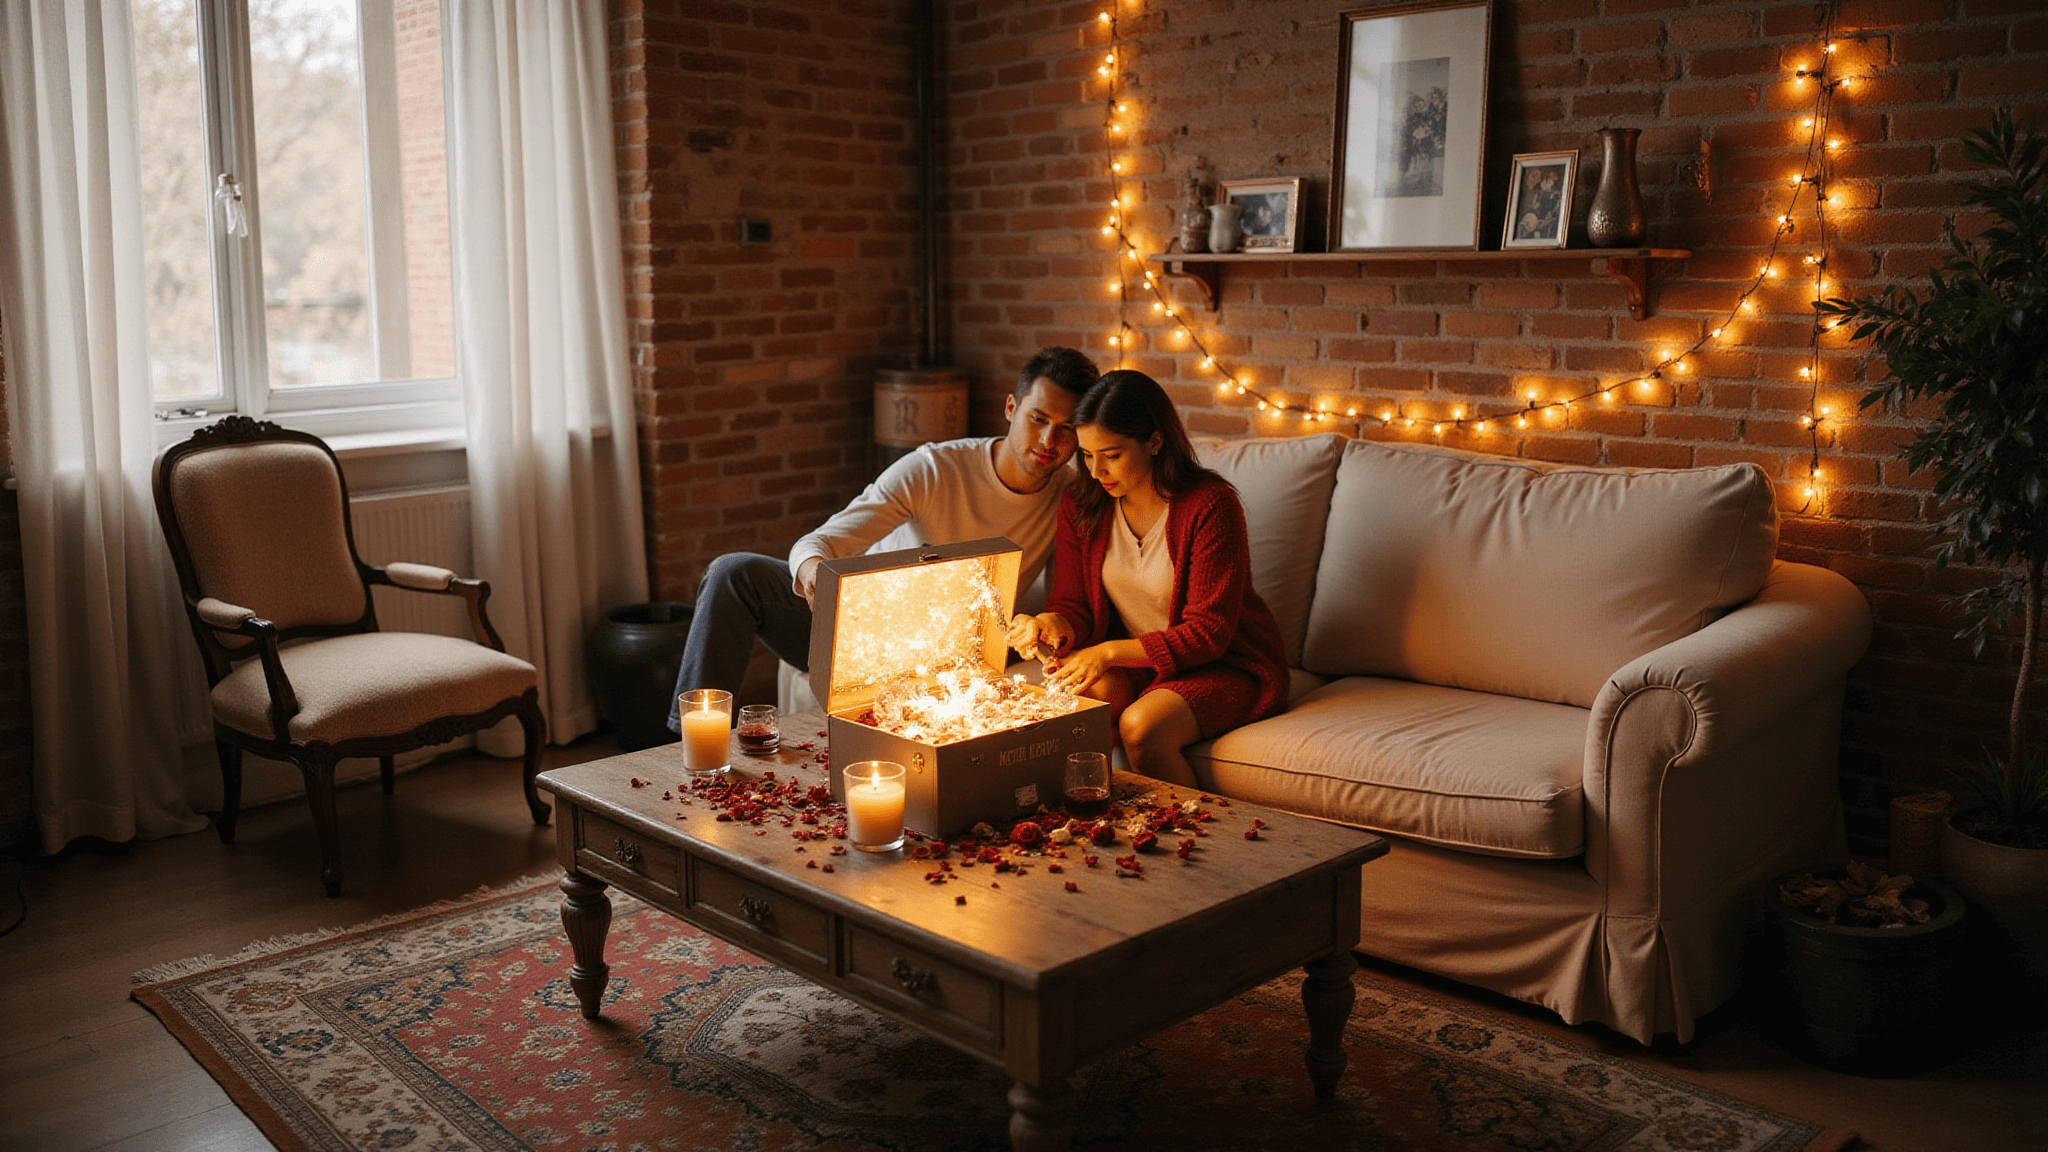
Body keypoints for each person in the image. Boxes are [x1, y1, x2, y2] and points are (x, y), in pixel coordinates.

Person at [666, 347, 1100, 731]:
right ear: (1011, 408)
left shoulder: (1073, 494)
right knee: (733, 572)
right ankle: (686, 740)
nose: (1049, 441)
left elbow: (1068, 597)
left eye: (1066, 429)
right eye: (1038, 419)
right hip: (857, 631)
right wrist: (816, 575)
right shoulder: (933, 469)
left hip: (953, 654)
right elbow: (817, 542)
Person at [1006, 370, 1288, 785]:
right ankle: (1096, 823)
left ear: (1155, 441)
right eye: (1086, 455)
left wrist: (1107, 653)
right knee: (1084, 705)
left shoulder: (1210, 505)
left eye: (1112, 455)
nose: (1097, 471)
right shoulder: (1082, 505)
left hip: (1225, 664)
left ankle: (1192, 836)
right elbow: (1074, 607)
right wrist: (1050, 624)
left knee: (1140, 727)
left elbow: (1209, 633)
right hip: (1143, 665)